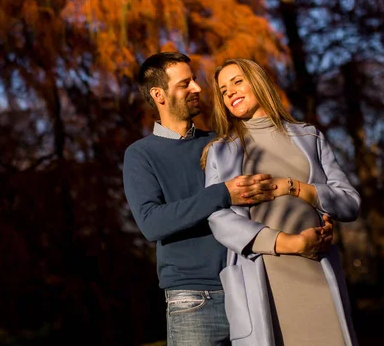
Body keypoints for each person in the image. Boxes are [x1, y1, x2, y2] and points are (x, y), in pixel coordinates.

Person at [122, 52, 333, 346]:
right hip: (193, 300)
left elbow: (270, 195)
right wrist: (223, 193)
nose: (197, 88)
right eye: (185, 84)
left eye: (194, 80)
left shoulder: (221, 144)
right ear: (159, 94)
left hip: (252, 286)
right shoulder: (141, 154)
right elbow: (152, 223)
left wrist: (318, 219)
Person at [202, 58, 361, 346]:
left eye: (237, 82)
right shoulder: (220, 151)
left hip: (317, 270)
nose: (231, 93)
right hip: (264, 276)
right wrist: (291, 243)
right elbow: (218, 218)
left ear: (258, 82)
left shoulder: (309, 136)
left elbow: (349, 202)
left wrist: (294, 188)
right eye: (224, 90)